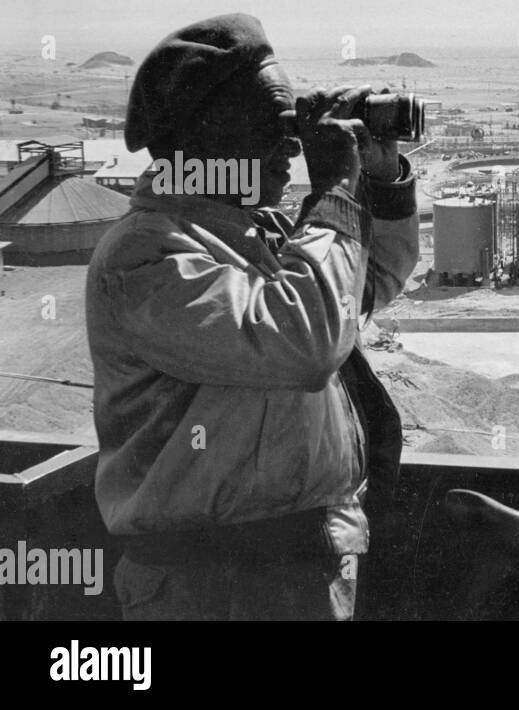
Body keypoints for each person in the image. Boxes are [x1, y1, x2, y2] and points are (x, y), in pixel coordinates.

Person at [84, 14, 418, 620]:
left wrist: (381, 177)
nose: (291, 143)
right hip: (212, 587)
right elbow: (306, 343)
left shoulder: (252, 231)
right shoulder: (146, 255)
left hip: (301, 570)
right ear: (202, 135)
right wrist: (335, 190)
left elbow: (363, 289)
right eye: (272, 123)